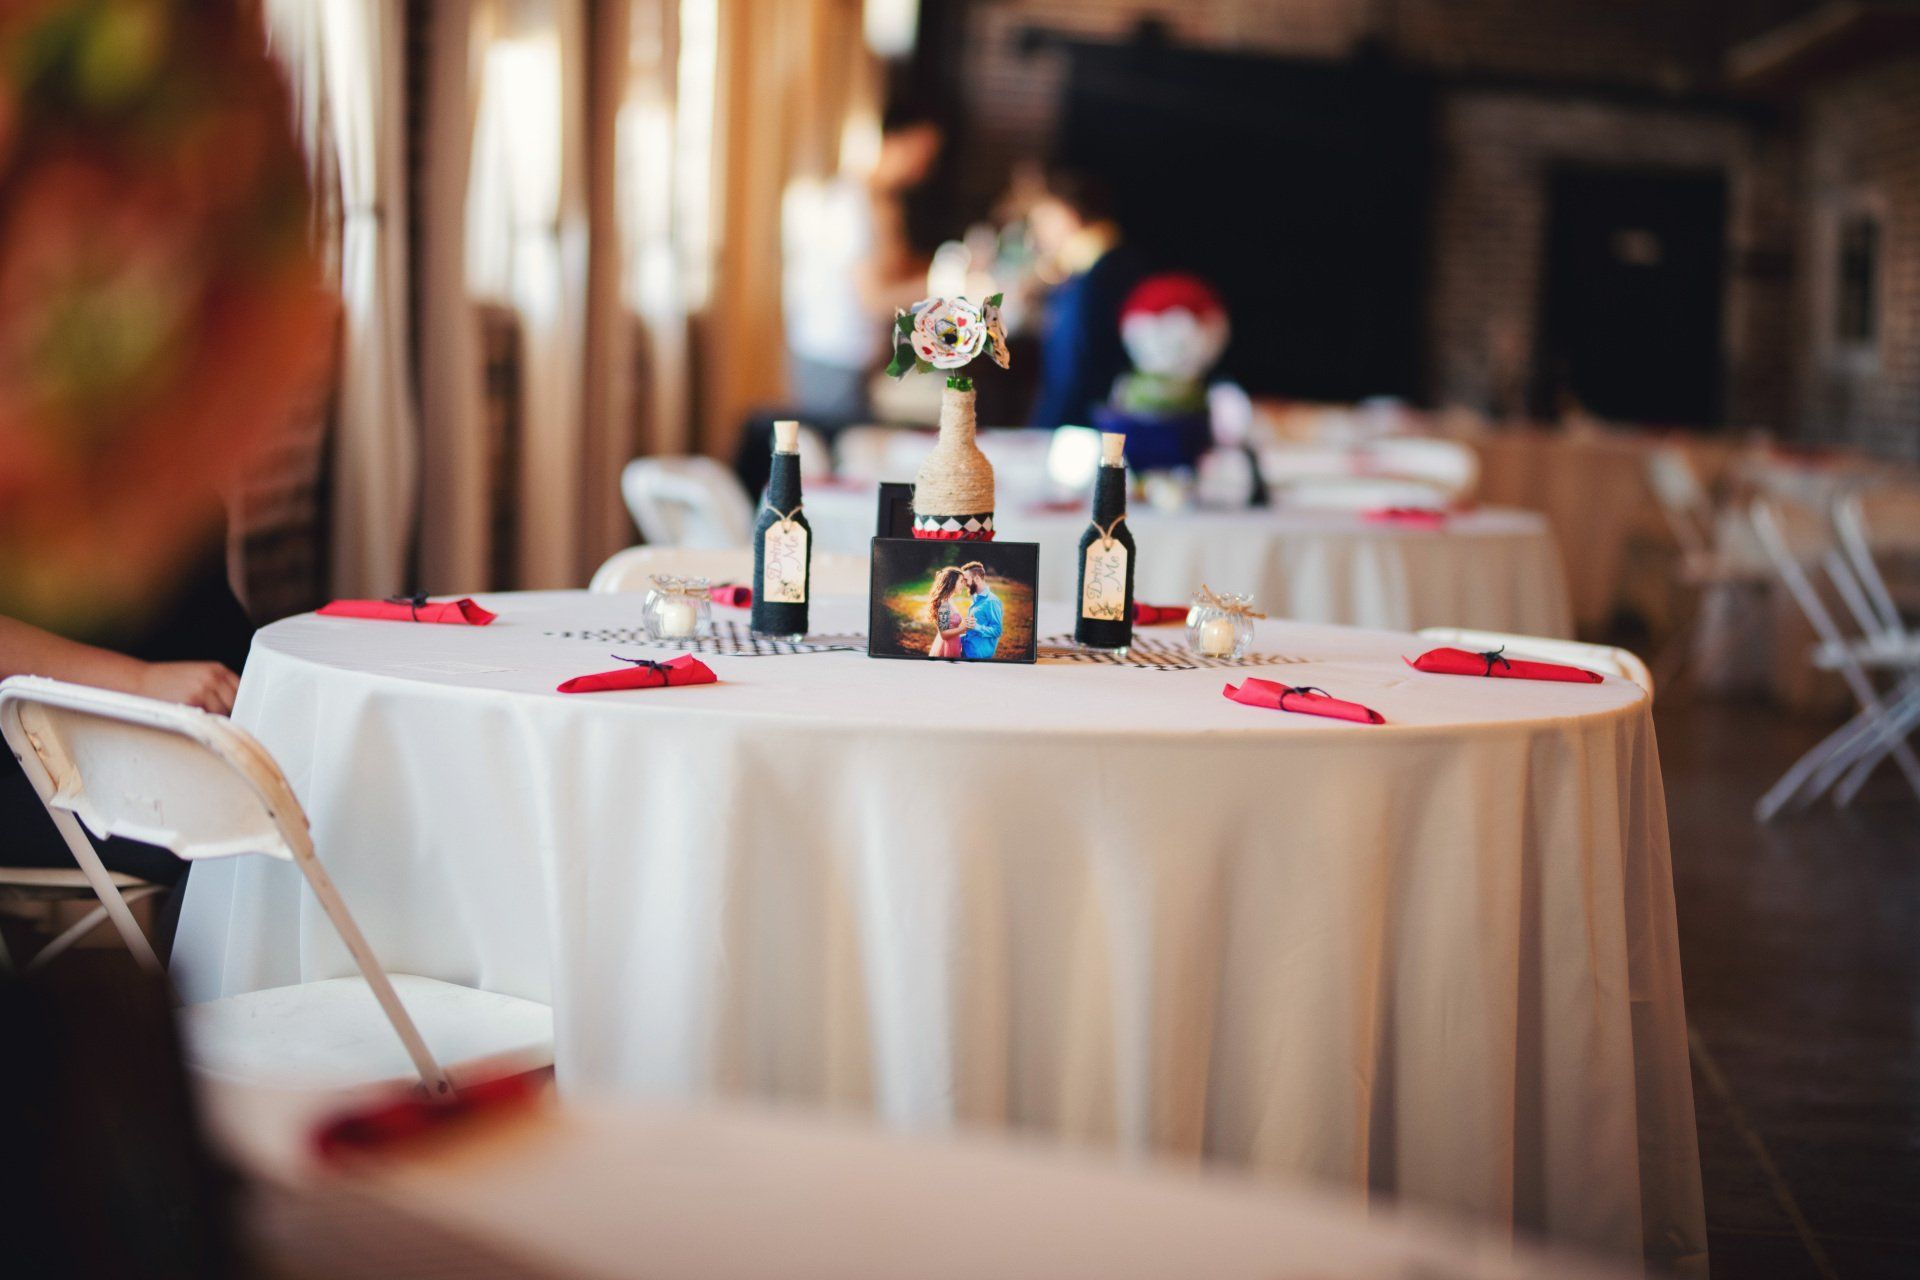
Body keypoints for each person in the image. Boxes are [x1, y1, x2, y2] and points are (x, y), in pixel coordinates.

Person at [1027, 166, 1147, 430]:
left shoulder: (1089, 280)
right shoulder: (1113, 262)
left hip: (1080, 429)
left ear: (1068, 216)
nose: (1037, 233)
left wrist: (1042, 431)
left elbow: (1071, 374)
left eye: (1044, 219)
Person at [957, 562, 1003, 660]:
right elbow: (972, 631)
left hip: (977, 656)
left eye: (966, 580)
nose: (964, 584)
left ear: (977, 579)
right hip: (967, 650)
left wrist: (976, 627)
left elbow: (997, 631)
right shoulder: (976, 598)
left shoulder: (992, 601)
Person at [925, 566, 971, 659]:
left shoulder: (949, 600)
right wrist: (962, 628)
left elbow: (951, 624)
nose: (963, 584)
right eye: (961, 581)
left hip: (953, 643)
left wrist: (966, 624)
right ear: (952, 582)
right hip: (947, 647)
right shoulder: (944, 604)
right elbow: (944, 634)